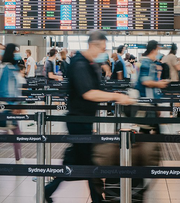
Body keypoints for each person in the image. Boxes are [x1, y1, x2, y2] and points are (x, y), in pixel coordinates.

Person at [44, 31, 134, 203]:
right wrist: (115, 97)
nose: (104, 52)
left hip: (84, 121)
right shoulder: (79, 65)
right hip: (78, 121)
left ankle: (49, 191)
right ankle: (96, 199)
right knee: (90, 163)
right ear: (94, 45)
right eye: (102, 48)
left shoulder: (89, 63)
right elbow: (89, 93)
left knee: (77, 161)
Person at [134, 40, 169, 134]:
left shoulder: (147, 62)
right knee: (149, 129)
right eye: (158, 50)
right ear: (153, 50)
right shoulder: (146, 63)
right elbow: (146, 82)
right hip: (147, 101)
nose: (158, 52)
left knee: (146, 129)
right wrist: (159, 84)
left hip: (149, 101)